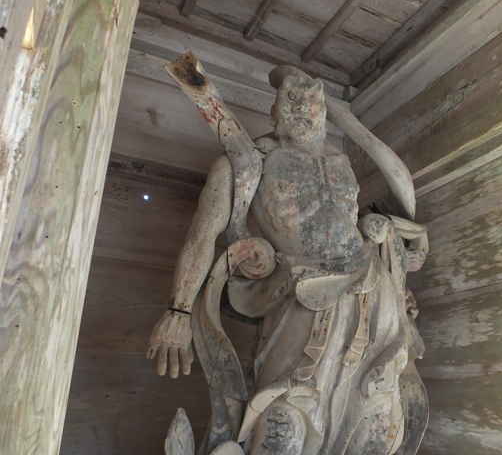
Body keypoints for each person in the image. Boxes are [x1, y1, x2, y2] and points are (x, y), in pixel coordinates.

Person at [147, 59, 428, 455]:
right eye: (293, 101)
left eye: (316, 102)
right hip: (301, 297)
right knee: (284, 415)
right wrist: (178, 311)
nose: (306, 110)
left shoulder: (341, 162)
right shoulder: (246, 164)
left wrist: (392, 260)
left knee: (375, 418)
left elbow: (387, 198)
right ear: (274, 110)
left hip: (371, 294)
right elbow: (203, 233)